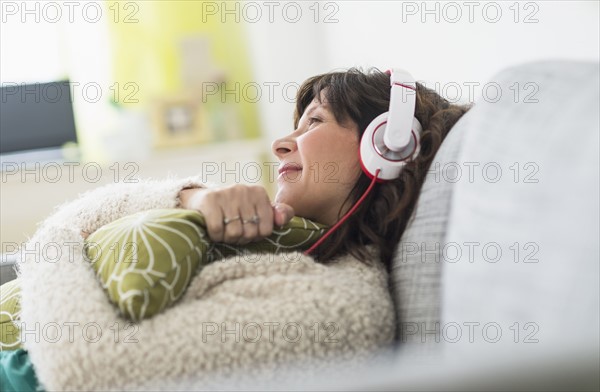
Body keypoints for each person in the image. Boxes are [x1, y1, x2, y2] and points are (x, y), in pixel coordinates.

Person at [1, 67, 469, 391]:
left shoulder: (341, 308)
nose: (282, 144)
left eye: (314, 122)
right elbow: (92, 212)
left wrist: (55, 249)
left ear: (386, 147)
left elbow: (88, 372)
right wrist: (192, 197)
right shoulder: (280, 240)